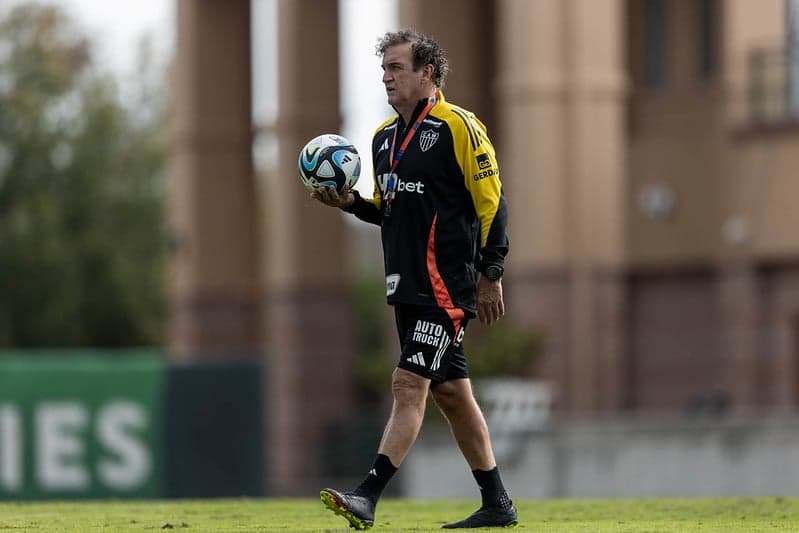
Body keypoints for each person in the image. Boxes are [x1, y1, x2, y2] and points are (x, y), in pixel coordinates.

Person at [312, 28, 516, 530]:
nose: (387, 77)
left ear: (428, 74)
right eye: (383, 69)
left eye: (396, 68)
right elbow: (391, 212)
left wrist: (491, 273)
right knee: (452, 395)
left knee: (409, 386)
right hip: (404, 286)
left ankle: (367, 495)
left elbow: (494, 204)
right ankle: (498, 504)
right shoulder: (383, 139)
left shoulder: (459, 127)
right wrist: (351, 203)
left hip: (446, 284)